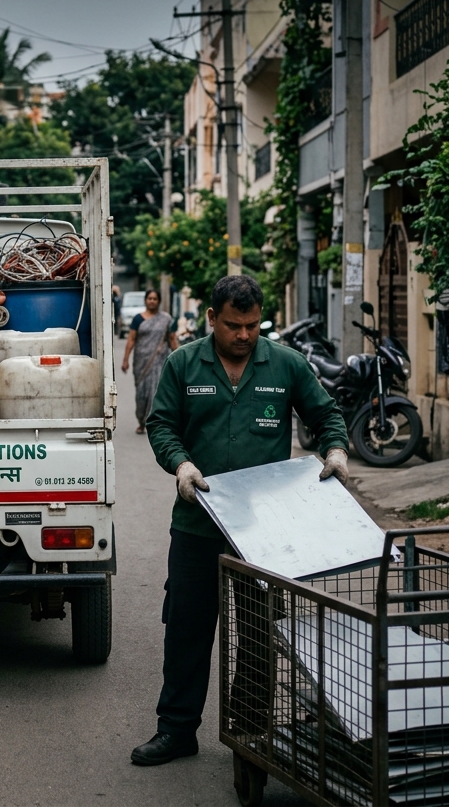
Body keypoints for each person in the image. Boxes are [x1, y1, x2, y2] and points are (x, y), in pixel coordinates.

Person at [130, 274, 349, 767]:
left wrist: (334, 450)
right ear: (212, 319)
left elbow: (327, 415)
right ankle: (177, 730)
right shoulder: (185, 363)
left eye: (252, 325)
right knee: (187, 629)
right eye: (234, 325)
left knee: (256, 632)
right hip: (197, 523)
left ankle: (251, 733)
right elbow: (162, 423)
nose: (244, 335)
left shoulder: (286, 364)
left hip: (262, 532)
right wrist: (181, 464)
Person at [120, 289, 178, 433]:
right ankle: (141, 420)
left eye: (155, 299)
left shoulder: (166, 319)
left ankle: (154, 423)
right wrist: (125, 359)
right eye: (149, 298)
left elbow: (172, 340)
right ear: (145, 301)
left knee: (156, 391)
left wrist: (179, 359)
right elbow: (131, 339)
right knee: (141, 394)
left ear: (159, 301)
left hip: (159, 360)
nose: (152, 301)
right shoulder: (137, 319)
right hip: (141, 361)